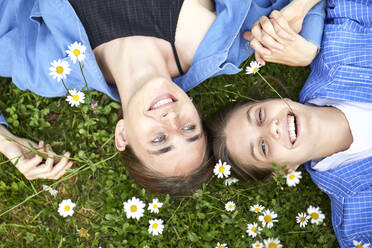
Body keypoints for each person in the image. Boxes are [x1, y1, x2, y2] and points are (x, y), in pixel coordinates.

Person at [0, 0, 324, 195]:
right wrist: (305, 42)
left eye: (158, 139)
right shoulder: (234, 41)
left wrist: (6, 141)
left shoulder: (51, 67)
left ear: (123, 134)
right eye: (189, 131)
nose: (172, 121)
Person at [210, 0, 372, 246]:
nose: (272, 129)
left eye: (260, 117)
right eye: (263, 147)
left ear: (279, 99)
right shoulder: (359, 226)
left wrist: (300, 7)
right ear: (285, 170)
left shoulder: (345, 35)